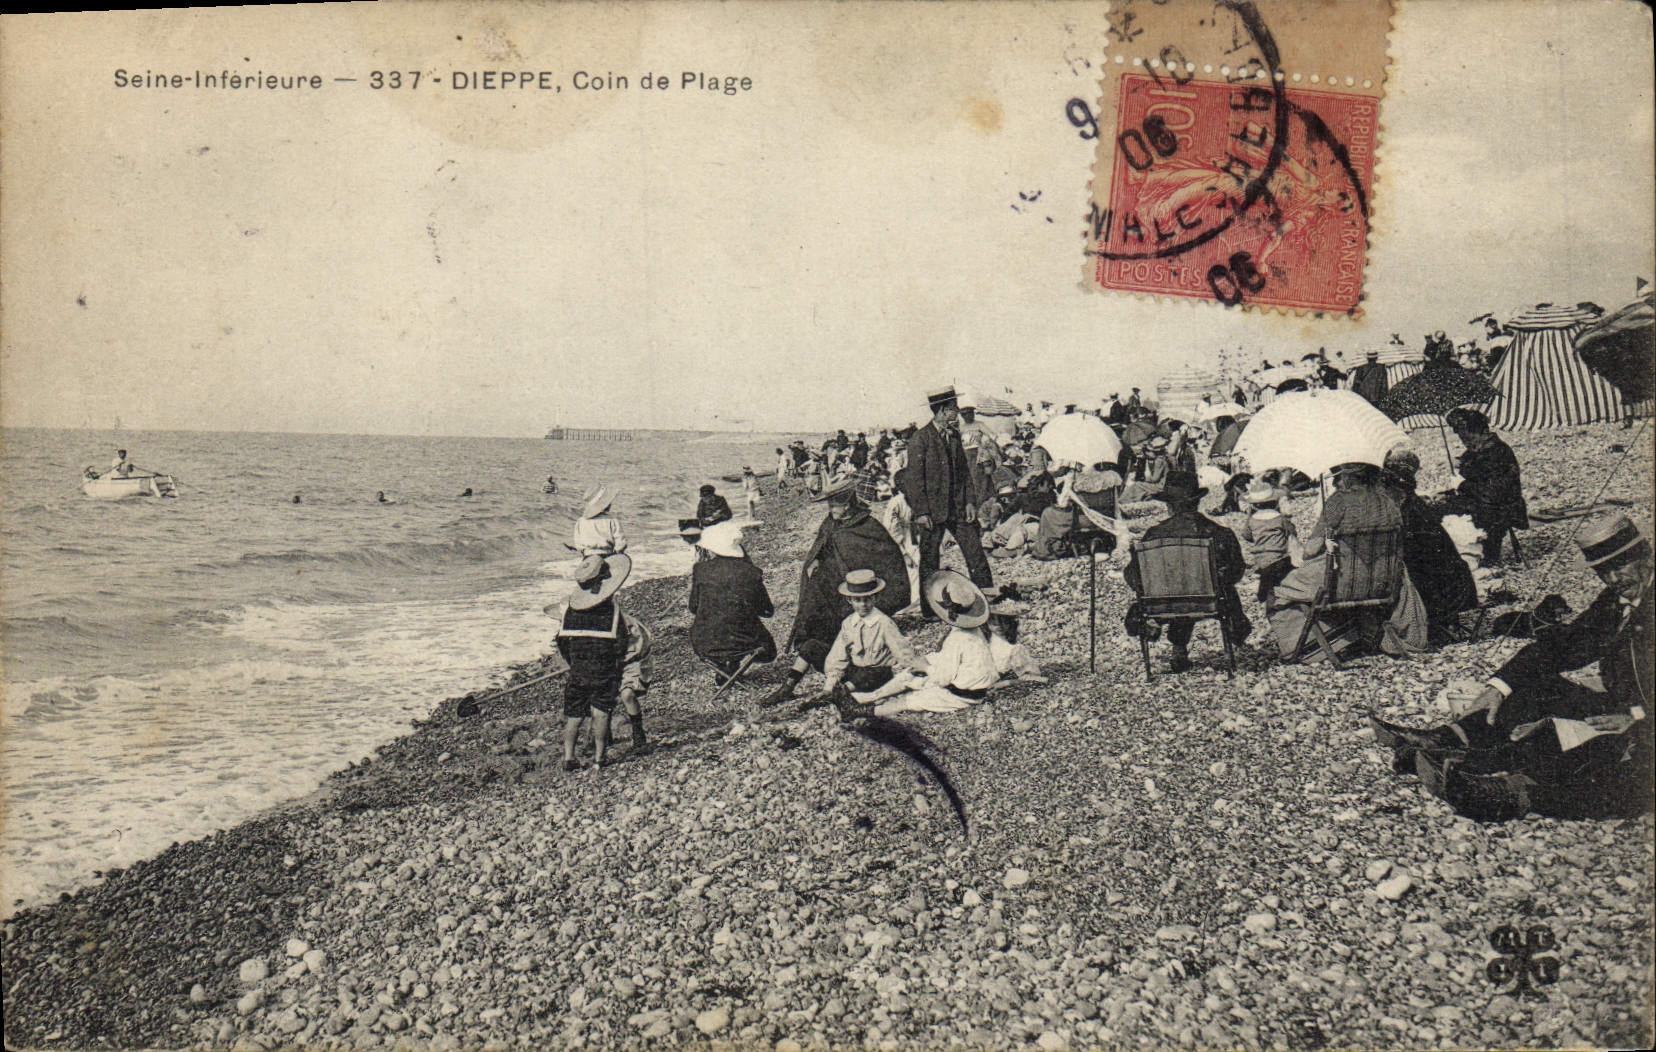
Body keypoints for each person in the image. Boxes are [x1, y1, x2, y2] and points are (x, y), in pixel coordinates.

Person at [1373, 514, 1652, 820]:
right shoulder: (1615, 602)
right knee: (1535, 689)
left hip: (1643, 722)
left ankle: (1509, 795)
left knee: (1618, 767)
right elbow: (1562, 647)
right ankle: (1445, 742)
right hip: (1623, 711)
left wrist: (1636, 717)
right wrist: (1499, 686)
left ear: (1645, 555)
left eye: (1620, 566)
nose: (1613, 579)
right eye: (1603, 571)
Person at [764, 477, 912, 706]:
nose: (831, 510)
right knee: (814, 639)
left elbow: (888, 560)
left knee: (850, 648)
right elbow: (822, 547)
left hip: (855, 606)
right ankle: (789, 686)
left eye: (835, 505)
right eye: (829, 505)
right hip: (834, 596)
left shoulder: (868, 527)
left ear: (849, 504)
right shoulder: (831, 524)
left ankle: (835, 692)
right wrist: (815, 563)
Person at [1265, 462, 1427, 661]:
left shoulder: (1338, 502)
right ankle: (1360, 635)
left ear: (1349, 477)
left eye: (1338, 475)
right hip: (1383, 584)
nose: (1334, 482)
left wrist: (1326, 538)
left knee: (1280, 591)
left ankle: (1314, 646)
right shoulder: (1389, 503)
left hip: (1340, 585)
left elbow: (1310, 551)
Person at [1124, 472, 1249, 673]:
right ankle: (1233, 636)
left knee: (1175, 583)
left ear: (1169, 505)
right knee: (1203, 584)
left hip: (1160, 603)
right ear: (1197, 502)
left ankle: (1175, 645)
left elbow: (1133, 576)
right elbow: (1236, 571)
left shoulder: (1153, 536)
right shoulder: (1218, 533)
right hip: (1209, 600)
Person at [848, 571, 999, 715]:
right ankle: (872, 696)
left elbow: (943, 678)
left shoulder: (957, 639)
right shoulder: (974, 630)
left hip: (964, 694)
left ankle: (867, 711)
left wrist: (925, 666)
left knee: (910, 700)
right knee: (913, 674)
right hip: (970, 682)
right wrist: (927, 662)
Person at [902, 386, 995, 600]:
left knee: (975, 553)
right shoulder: (920, 439)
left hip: (958, 508)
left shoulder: (954, 436)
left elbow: (964, 474)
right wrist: (921, 512)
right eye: (954, 408)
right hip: (932, 513)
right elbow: (913, 480)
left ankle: (988, 595)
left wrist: (970, 502)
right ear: (943, 411)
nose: (958, 412)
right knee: (929, 561)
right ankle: (930, 607)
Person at [1381, 449, 1478, 639]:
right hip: (1453, 585)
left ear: (1398, 490)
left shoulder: (1409, 514)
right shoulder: (1415, 507)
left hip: (1440, 591)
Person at [555, 553, 637, 770]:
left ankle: (568, 757)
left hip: (579, 670)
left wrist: (573, 661)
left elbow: (561, 641)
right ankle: (600, 757)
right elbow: (621, 644)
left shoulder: (571, 611)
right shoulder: (612, 612)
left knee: (573, 715)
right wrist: (615, 662)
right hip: (603, 669)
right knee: (601, 712)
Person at [688, 520, 776, 679]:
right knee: (767, 648)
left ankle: (723, 666)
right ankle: (732, 663)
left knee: (720, 624)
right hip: (744, 641)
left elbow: (693, 607)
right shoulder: (751, 572)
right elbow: (767, 611)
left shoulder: (700, 570)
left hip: (704, 643)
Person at [1442, 407, 1528, 566]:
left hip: (1502, 507)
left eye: (1466, 437)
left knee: (1451, 513)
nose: (1464, 442)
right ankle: (1461, 554)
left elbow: (1493, 492)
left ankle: (1482, 556)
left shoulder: (1498, 452)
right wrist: (1461, 467)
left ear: (1479, 432)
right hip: (1484, 502)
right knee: (1438, 506)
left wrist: (1462, 484)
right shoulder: (1477, 450)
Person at [819, 570, 916, 697]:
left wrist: (908, 673)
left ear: (875, 598)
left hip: (876, 673)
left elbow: (903, 652)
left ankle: (842, 692)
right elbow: (838, 654)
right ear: (850, 600)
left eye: (867, 599)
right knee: (815, 649)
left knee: (873, 673)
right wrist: (829, 684)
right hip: (857, 670)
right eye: (858, 600)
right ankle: (832, 691)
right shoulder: (848, 623)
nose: (863, 604)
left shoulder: (883, 623)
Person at [1239, 481, 1298, 604]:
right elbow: (1292, 532)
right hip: (1280, 556)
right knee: (1287, 571)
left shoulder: (1252, 520)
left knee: (1267, 574)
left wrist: (1258, 537)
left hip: (1261, 558)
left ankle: (1263, 593)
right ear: (1275, 502)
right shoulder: (1280, 519)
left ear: (1255, 505)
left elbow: (1246, 535)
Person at [572, 485, 628, 555]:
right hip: (607, 555)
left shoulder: (581, 521)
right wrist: (617, 551)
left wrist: (583, 550)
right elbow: (621, 543)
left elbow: (578, 544)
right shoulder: (612, 520)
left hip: (588, 556)